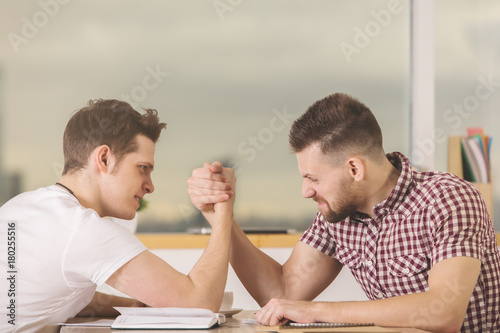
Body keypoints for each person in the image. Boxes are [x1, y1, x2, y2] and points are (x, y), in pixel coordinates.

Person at [188, 93, 500, 333]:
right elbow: (282, 292)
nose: (306, 191)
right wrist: (221, 215)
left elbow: (444, 311)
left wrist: (320, 311)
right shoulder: (338, 214)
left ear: (354, 168)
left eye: (313, 178)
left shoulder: (449, 198)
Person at [0, 99, 235, 333]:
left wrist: (136, 304)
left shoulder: (19, 207)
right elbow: (199, 304)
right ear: (104, 159)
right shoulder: (82, 229)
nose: (150, 187)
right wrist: (223, 204)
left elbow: (52, 295)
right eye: (143, 168)